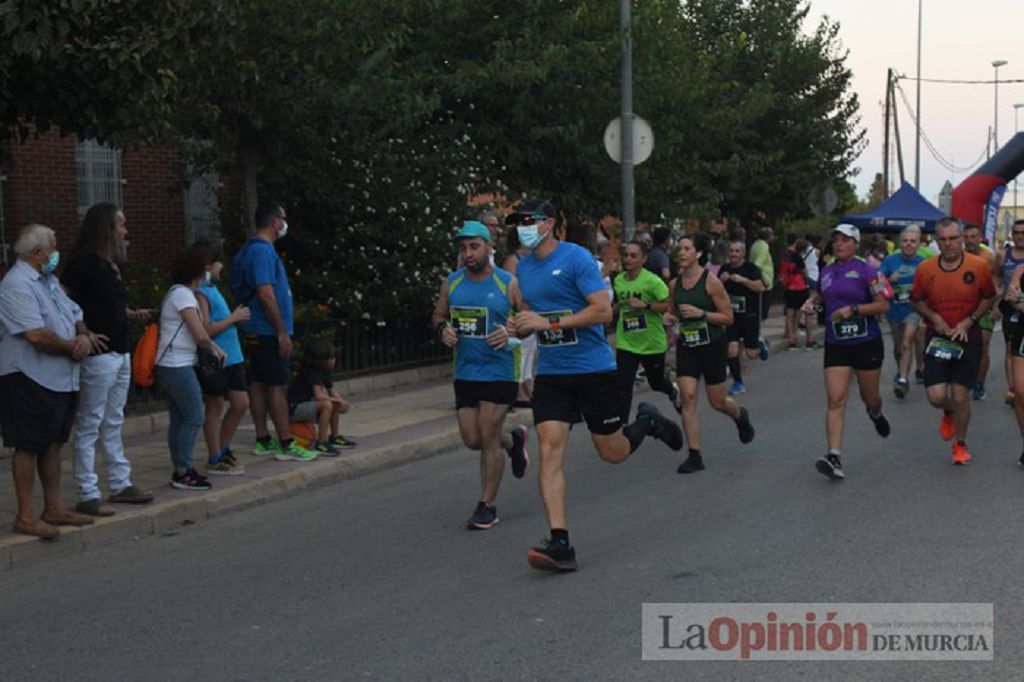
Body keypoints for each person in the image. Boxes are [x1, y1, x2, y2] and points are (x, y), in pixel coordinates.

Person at [505, 199, 683, 571]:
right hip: (552, 374)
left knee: (613, 452)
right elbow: (528, 315)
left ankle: (647, 421)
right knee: (549, 452)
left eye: (527, 221)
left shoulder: (577, 259)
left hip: (593, 370)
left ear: (549, 224)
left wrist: (548, 324)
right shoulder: (524, 268)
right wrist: (517, 325)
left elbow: (602, 311)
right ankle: (560, 542)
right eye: (517, 221)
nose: (520, 227)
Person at [0, 224, 105, 538]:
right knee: (28, 445)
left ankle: (54, 507)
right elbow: (35, 334)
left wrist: (83, 333)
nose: (56, 254)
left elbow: (74, 310)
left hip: (59, 377)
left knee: (53, 443)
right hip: (28, 375)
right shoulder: (16, 284)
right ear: (37, 253)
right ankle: (26, 514)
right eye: (53, 249)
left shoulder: (49, 281)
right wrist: (73, 346)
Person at [432, 220, 529, 530]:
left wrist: (510, 332)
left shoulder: (508, 283)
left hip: (500, 371)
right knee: (472, 439)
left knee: (487, 432)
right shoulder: (453, 282)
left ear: (489, 246)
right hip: (466, 370)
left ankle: (487, 504)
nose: (468, 253)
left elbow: (528, 320)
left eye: (474, 246)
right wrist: (442, 330)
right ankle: (513, 442)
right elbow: (438, 314)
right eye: (463, 248)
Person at [61, 203, 155, 516]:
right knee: (90, 422)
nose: (125, 230)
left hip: (120, 349)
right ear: (106, 228)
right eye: (121, 225)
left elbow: (101, 303)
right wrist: (83, 331)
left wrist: (127, 313)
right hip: (99, 354)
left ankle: (120, 483)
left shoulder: (110, 265)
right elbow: (61, 302)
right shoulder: (82, 264)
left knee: (113, 420)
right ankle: (88, 490)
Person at [801, 224, 892, 481]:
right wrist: (812, 302)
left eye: (844, 240)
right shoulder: (827, 270)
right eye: (836, 240)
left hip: (866, 342)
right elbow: (820, 293)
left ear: (855, 244)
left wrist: (854, 310)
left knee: (870, 397)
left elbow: (883, 305)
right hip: (836, 343)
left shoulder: (868, 270)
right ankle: (834, 455)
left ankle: (875, 413)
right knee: (835, 399)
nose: (838, 244)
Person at [231, 200, 316, 461]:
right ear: (274, 222)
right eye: (284, 218)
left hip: (258, 330)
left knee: (258, 383)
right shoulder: (262, 252)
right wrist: (281, 331)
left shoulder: (252, 249)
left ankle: (263, 438)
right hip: (267, 330)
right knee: (278, 387)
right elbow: (266, 294)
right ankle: (286, 443)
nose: (285, 223)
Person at [911, 217, 997, 465]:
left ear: (962, 239)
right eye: (943, 239)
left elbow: (989, 297)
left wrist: (968, 321)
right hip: (938, 338)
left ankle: (960, 444)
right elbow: (916, 300)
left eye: (953, 239)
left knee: (961, 396)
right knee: (936, 397)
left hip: (967, 337)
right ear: (937, 241)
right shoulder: (926, 268)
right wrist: (934, 318)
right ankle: (948, 412)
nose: (948, 244)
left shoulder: (978, 265)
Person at [667, 233, 756, 474]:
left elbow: (728, 317)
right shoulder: (674, 285)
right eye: (680, 248)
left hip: (713, 346)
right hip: (688, 345)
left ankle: (739, 416)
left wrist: (702, 314)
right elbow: (674, 311)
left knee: (717, 401)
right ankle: (695, 455)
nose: (681, 253)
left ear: (698, 254)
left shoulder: (711, 282)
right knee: (688, 397)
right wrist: (670, 317)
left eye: (687, 248)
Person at [156, 248, 228, 489]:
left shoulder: (175, 293)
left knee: (179, 418)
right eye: (205, 270)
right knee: (195, 415)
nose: (207, 274)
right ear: (196, 272)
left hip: (171, 365)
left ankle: (181, 467)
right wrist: (215, 349)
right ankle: (184, 471)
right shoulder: (184, 296)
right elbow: (199, 332)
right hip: (177, 365)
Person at [193, 241, 251, 475]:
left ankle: (223, 447)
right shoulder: (201, 293)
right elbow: (205, 329)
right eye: (219, 263)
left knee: (240, 403)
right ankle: (215, 454)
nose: (221, 268)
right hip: (217, 356)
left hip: (232, 356)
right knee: (215, 404)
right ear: (208, 264)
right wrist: (233, 318)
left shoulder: (212, 289)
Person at [612, 240, 681, 423]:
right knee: (623, 384)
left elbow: (669, 305)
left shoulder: (652, 281)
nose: (628, 259)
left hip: (651, 342)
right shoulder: (619, 280)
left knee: (656, 382)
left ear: (643, 259)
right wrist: (612, 310)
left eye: (633, 256)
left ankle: (673, 390)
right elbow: (618, 304)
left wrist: (646, 305)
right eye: (626, 255)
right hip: (626, 340)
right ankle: (622, 425)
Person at [878, 226, 926, 399]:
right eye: (905, 241)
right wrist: (889, 280)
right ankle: (901, 370)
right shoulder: (890, 261)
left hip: (913, 310)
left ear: (919, 244)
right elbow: (876, 283)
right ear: (900, 242)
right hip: (894, 309)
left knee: (907, 343)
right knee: (899, 347)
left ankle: (904, 380)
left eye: (913, 241)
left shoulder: (924, 264)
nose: (909, 244)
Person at [287, 338, 355, 456]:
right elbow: (319, 396)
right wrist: (338, 401)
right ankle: (321, 442)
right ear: (321, 361)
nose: (334, 360)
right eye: (331, 358)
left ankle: (334, 437)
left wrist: (342, 402)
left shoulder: (324, 373)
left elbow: (332, 391)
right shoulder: (311, 373)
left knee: (334, 404)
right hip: (294, 409)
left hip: (307, 405)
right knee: (326, 404)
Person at [718, 240, 766, 395]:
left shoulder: (751, 269)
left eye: (737, 251)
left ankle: (760, 345)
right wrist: (721, 280)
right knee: (731, 350)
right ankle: (738, 382)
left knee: (751, 354)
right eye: (731, 251)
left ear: (743, 254)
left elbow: (760, 287)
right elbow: (714, 289)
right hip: (731, 316)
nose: (733, 254)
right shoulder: (724, 268)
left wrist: (743, 280)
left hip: (750, 316)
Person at [962, 223, 997, 400]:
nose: (970, 241)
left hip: (985, 308)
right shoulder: (957, 256)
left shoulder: (988, 257)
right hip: (963, 308)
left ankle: (979, 383)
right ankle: (962, 378)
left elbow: (996, 282)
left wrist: (996, 306)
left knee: (982, 347)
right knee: (963, 346)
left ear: (980, 237)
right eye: (966, 237)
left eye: (973, 237)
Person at [993, 218, 1024, 405]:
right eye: (1017, 233)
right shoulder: (1003, 255)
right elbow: (995, 274)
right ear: (1012, 235)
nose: (1020, 236)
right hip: (1010, 308)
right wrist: (998, 292)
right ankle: (1013, 388)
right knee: (1010, 347)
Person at [503, 227, 536, 407]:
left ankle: (527, 385)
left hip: (531, 309)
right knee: (520, 351)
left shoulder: (528, 259)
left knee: (530, 350)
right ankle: (517, 390)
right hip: (518, 311)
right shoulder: (512, 260)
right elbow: (509, 287)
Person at [1002, 265, 1024, 464]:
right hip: (1023, 334)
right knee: (1020, 393)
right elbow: (1012, 296)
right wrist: (1013, 298)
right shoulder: (1021, 270)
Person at [749, 226, 775, 359]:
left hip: (758, 281)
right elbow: (758, 265)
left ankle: (758, 336)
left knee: (759, 312)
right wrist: (763, 280)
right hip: (764, 283)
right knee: (762, 312)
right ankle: (758, 338)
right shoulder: (764, 246)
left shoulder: (755, 245)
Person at [781, 236, 810, 349]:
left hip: (789, 286)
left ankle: (791, 338)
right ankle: (796, 334)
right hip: (799, 286)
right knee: (798, 312)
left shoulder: (785, 255)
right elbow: (805, 272)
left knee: (789, 312)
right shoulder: (798, 258)